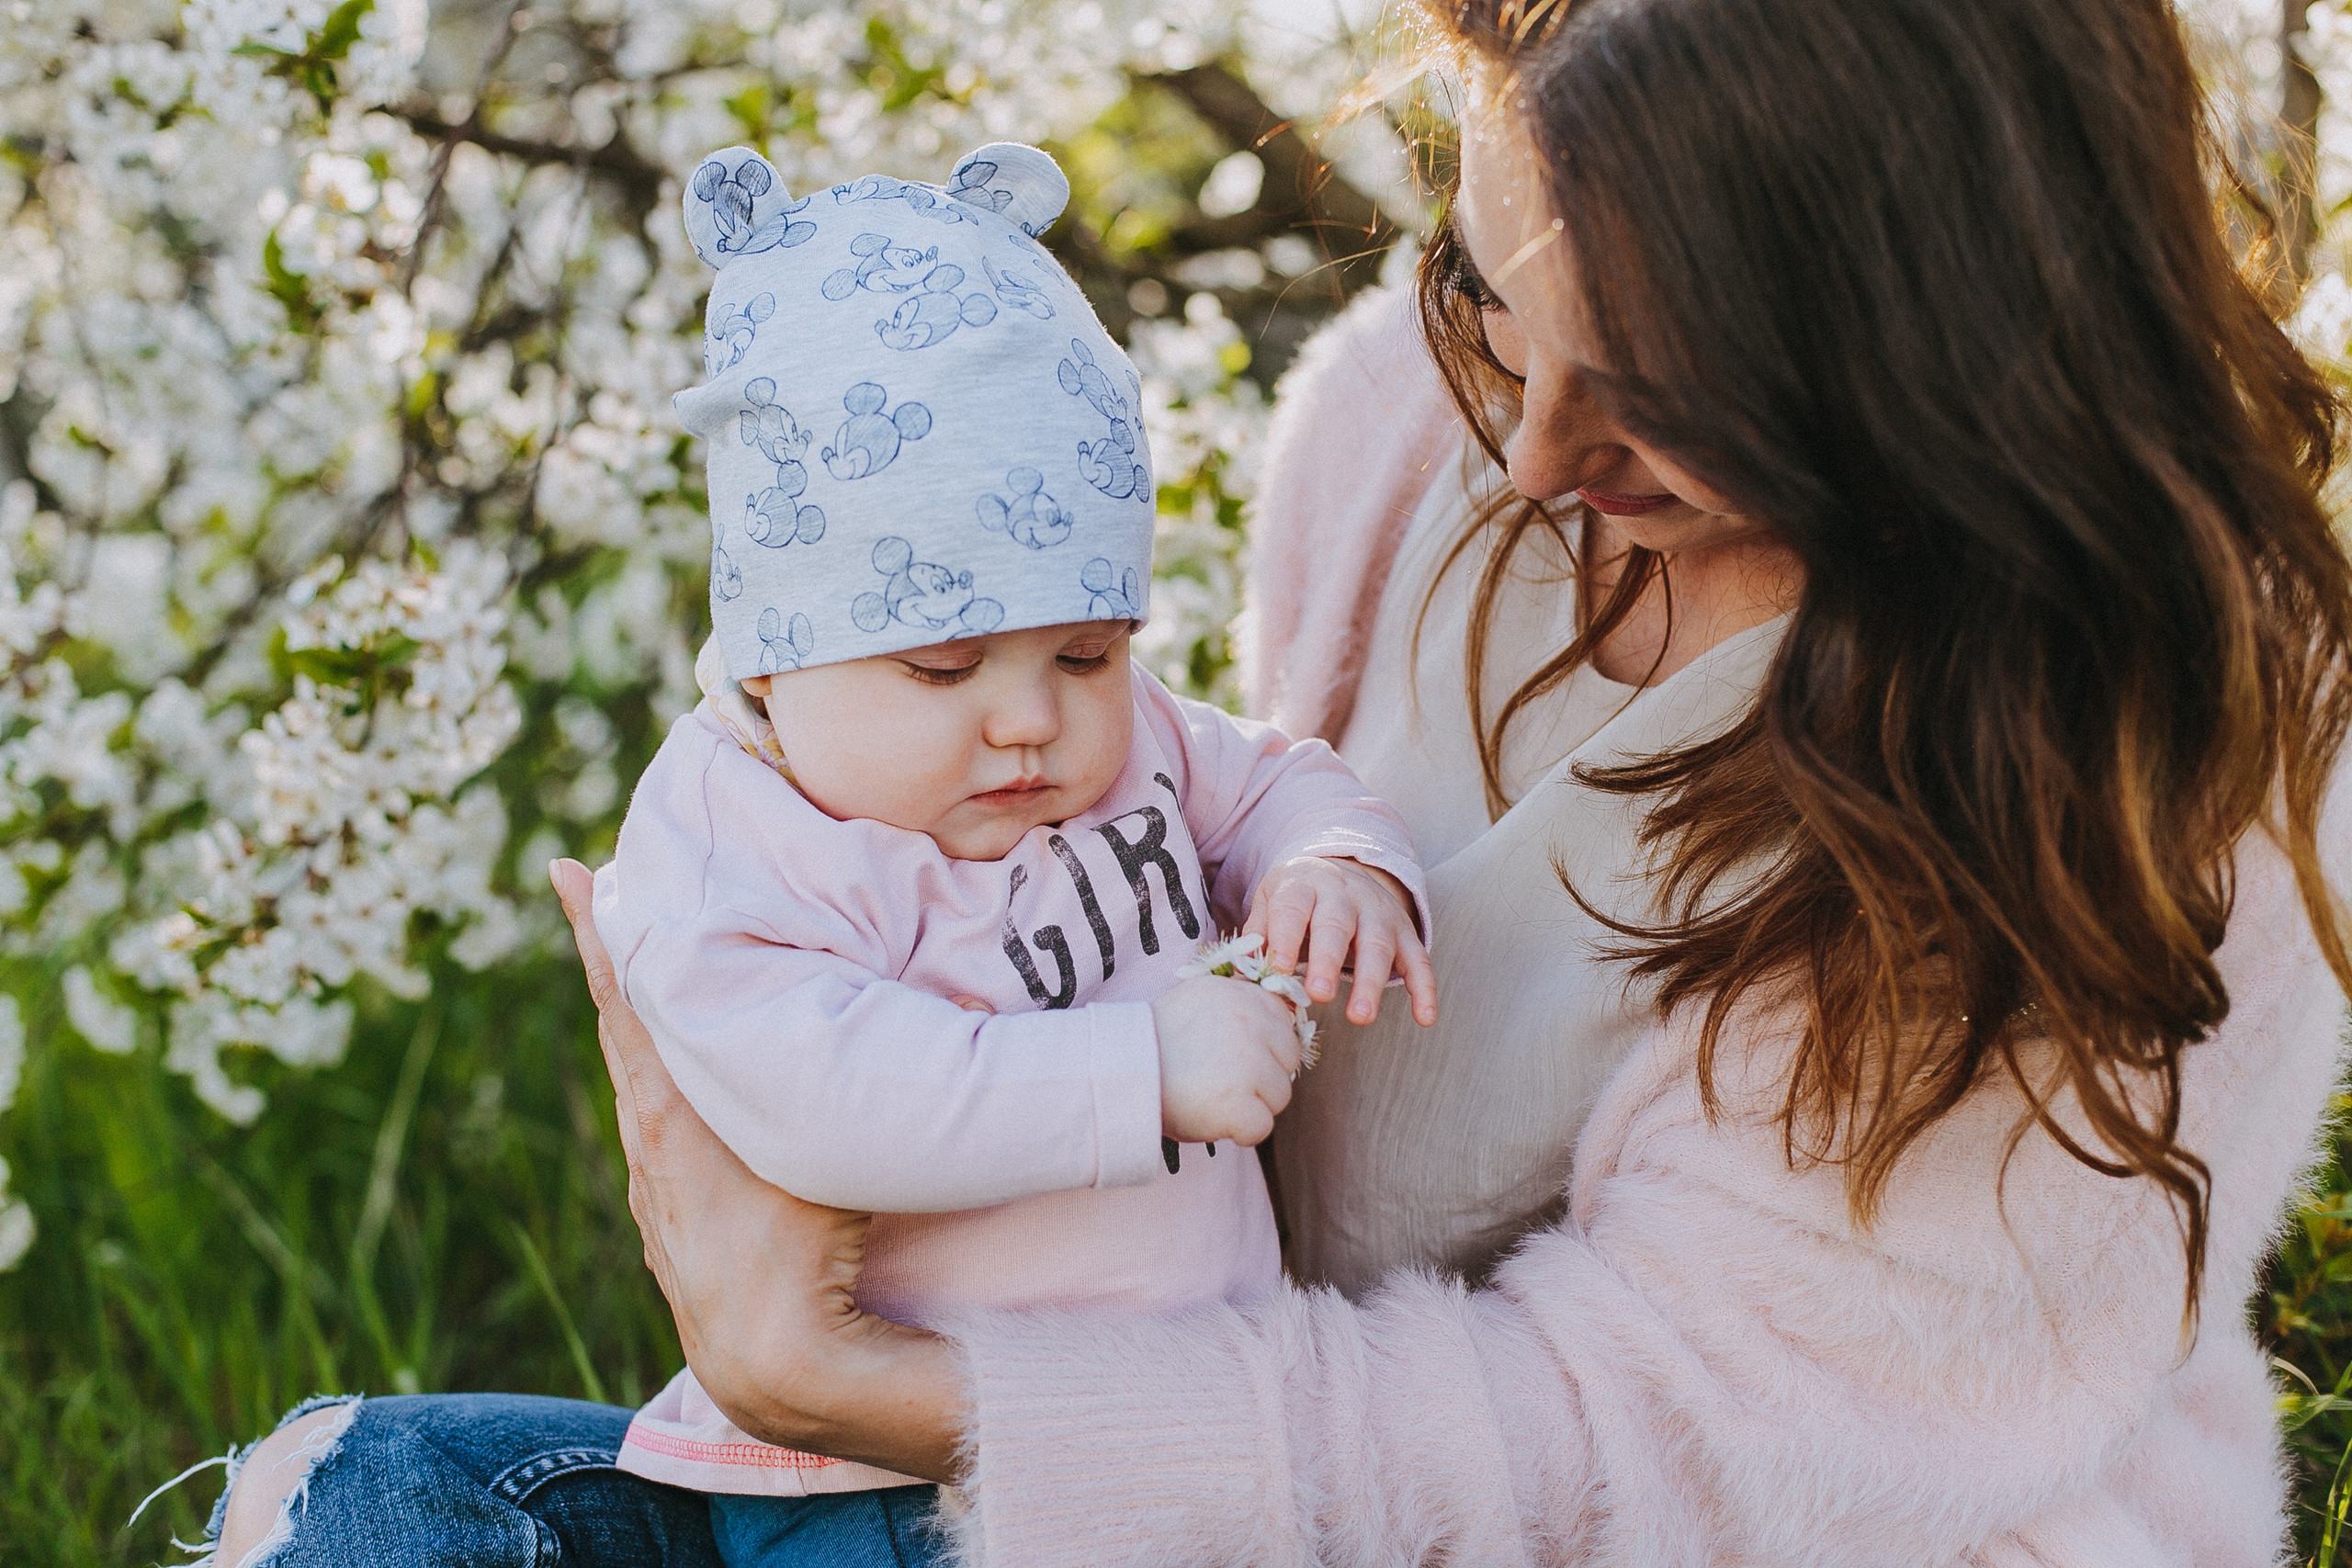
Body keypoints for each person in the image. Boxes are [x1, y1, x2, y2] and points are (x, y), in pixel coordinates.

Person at [205, 0, 2352, 1562]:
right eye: (1511, 314)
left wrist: (869, 1389)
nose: (1529, 466)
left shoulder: (2156, 754)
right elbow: (1213, 828)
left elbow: (1636, 1450)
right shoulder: (1410, 438)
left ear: (1930, 374)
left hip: (1718, 1525)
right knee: (393, 1507)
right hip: (1234, 1443)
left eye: (1673, 400)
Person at [586, 137, 1430, 1568]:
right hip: (873, 1483)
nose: (1032, 721)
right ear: (779, 661)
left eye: (1087, 650)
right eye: (944, 668)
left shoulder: (1135, 739)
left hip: (1177, 1418)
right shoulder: (738, 835)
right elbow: (830, 1098)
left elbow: (1270, 778)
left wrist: (1331, 858)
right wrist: (1141, 1072)